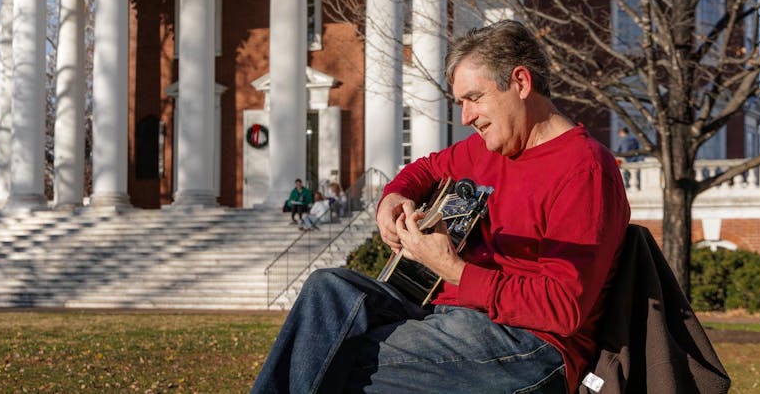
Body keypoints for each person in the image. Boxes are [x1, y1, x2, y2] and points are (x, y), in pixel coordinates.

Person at [251, 20, 631, 394]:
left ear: (520, 82)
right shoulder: (487, 147)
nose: (466, 117)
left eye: (474, 98)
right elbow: (426, 169)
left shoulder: (585, 170)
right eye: (461, 103)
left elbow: (562, 308)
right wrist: (393, 199)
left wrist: (454, 270)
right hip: (448, 314)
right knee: (327, 290)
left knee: (338, 356)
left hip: (530, 346)